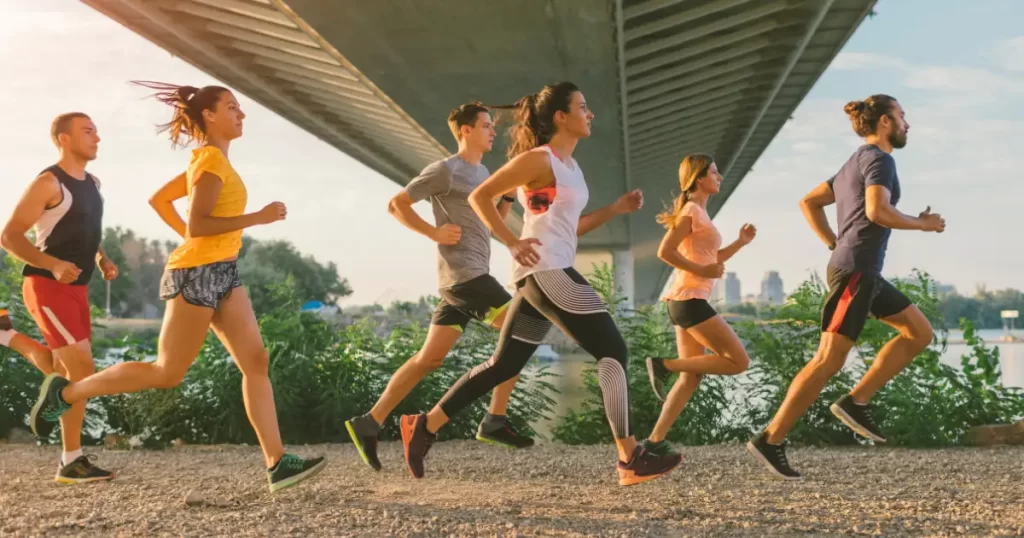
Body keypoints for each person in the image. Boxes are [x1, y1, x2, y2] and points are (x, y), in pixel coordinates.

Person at [29, 82, 326, 493]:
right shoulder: (209, 163)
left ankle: (277, 463)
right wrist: (254, 218)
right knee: (167, 372)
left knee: (255, 360)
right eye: (233, 107)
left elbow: (160, 201)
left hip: (223, 271)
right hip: (195, 275)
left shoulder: (211, 161)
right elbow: (198, 223)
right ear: (210, 115)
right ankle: (68, 393)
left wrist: (195, 240)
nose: (241, 115)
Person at [399, 82, 681, 486]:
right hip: (546, 270)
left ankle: (425, 425)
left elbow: (572, 226)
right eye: (583, 107)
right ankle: (630, 456)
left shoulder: (571, 168)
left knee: (504, 364)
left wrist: (615, 209)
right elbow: (482, 196)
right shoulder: (539, 159)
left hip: (545, 271)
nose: (591, 114)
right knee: (612, 349)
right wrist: (512, 241)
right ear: (560, 118)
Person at [747, 94, 945, 479]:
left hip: (862, 270)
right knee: (828, 360)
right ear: (885, 122)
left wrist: (833, 242)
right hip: (855, 272)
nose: (907, 124)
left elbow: (809, 202)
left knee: (918, 332)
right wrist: (922, 224)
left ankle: (857, 401)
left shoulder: (855, 161)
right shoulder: (880, 160)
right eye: (902, 116)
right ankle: (770, 439)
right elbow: (877, 211)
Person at [345, 103, 534, 471]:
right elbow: (396, 204)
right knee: (523, 330)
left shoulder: (482, 172)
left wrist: (508, 195)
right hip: (466, 278)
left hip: (461, 280)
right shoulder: (446, 170)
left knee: (429, 359)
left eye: (492, 125)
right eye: (485, 125)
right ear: (465, 130)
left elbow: (491, 218)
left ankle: (369, 421)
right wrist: (432, 232)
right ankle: (494, 419)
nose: (492, 130)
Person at [1, 112, 117, 484]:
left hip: (78, 289)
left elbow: (87, 227)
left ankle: (6, 336)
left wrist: (102, 257)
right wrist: (51, 264)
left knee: (63, 367)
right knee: (81, 371)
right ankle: (71, 460)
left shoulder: (93, 183)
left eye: (96, 131)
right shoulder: (48, 183)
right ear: (63, 139)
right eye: (87, 131)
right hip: (47, 286)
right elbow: (11, 236)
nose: (96, 137)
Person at [642, 154, 756, 457]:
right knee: (739, 361)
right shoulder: (692, 210)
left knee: (691, 377)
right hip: (690, 301)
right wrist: (702, 271)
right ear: (699, 178)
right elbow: (665, 251)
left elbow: (712, 260)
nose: (719, 177)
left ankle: (654, 442)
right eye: (715, 173)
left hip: (685, 301)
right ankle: (662, 365)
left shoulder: (699, 213)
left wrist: (741, 242)